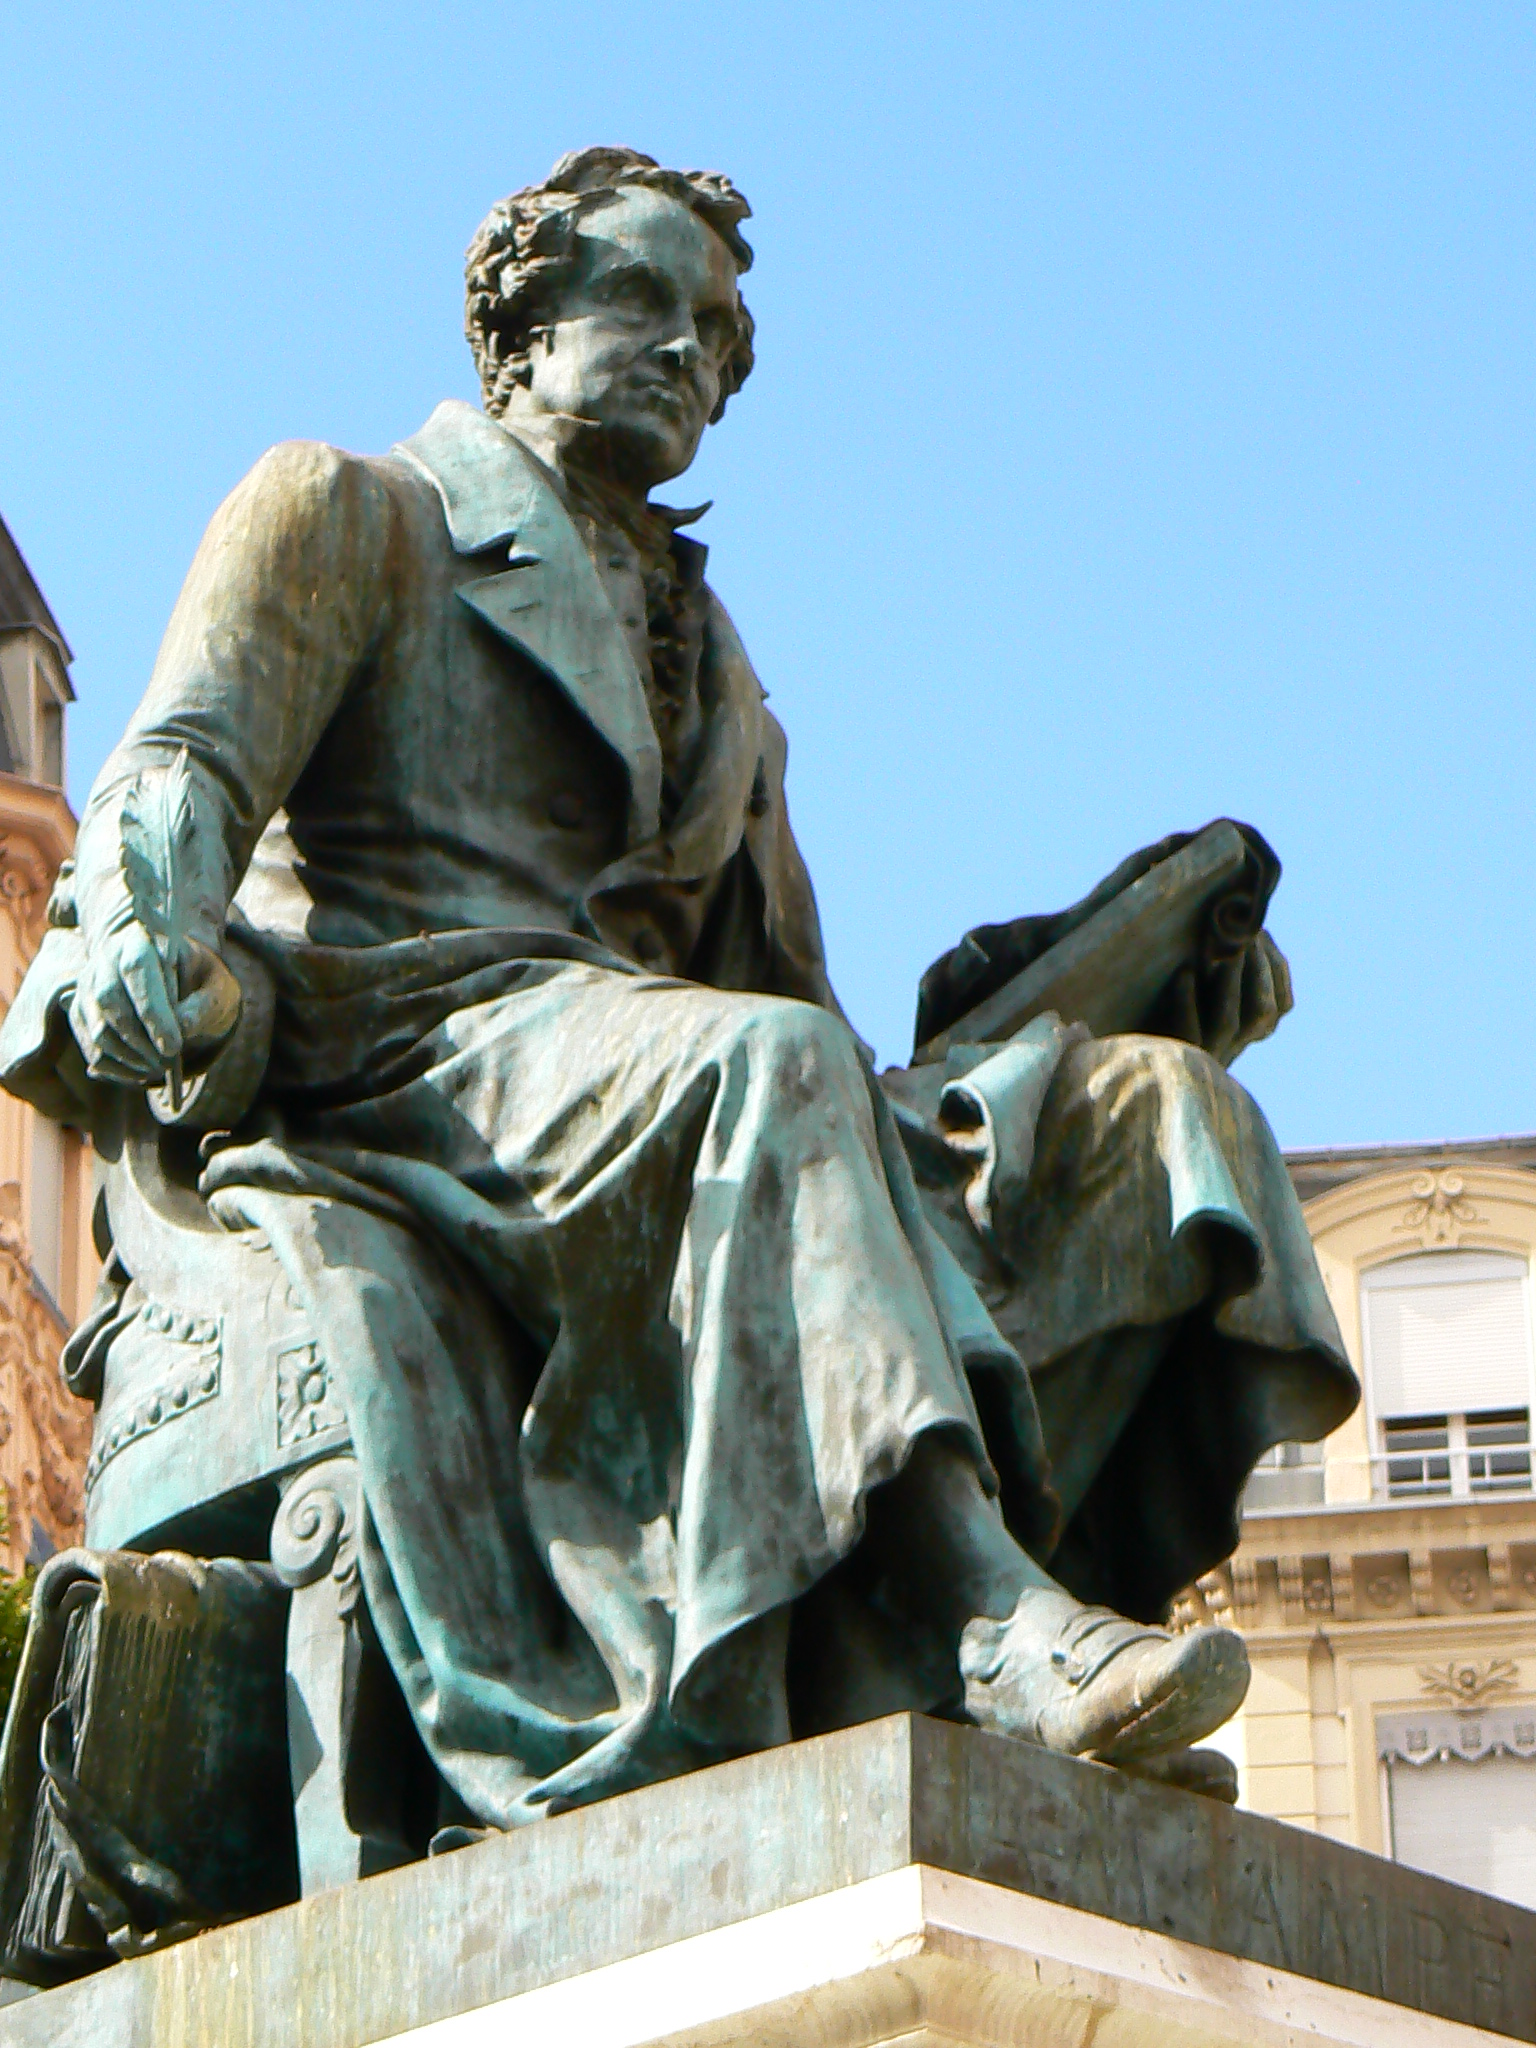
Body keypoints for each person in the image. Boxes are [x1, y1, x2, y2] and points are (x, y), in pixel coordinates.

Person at [0, 147, 1356, 1829]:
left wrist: (1122, 974)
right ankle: (980, 1621)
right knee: (761, 1072)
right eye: (643, 302)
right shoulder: (354, 508)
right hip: (417, 1056)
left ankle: (929, 1640)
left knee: (1166, 1117)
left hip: (668, 1080)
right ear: (517, 328)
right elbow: (177, 773)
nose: (688, 354)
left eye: (717, 336)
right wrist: (146, 932)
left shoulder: (718, 671)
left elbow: (823, 1026)